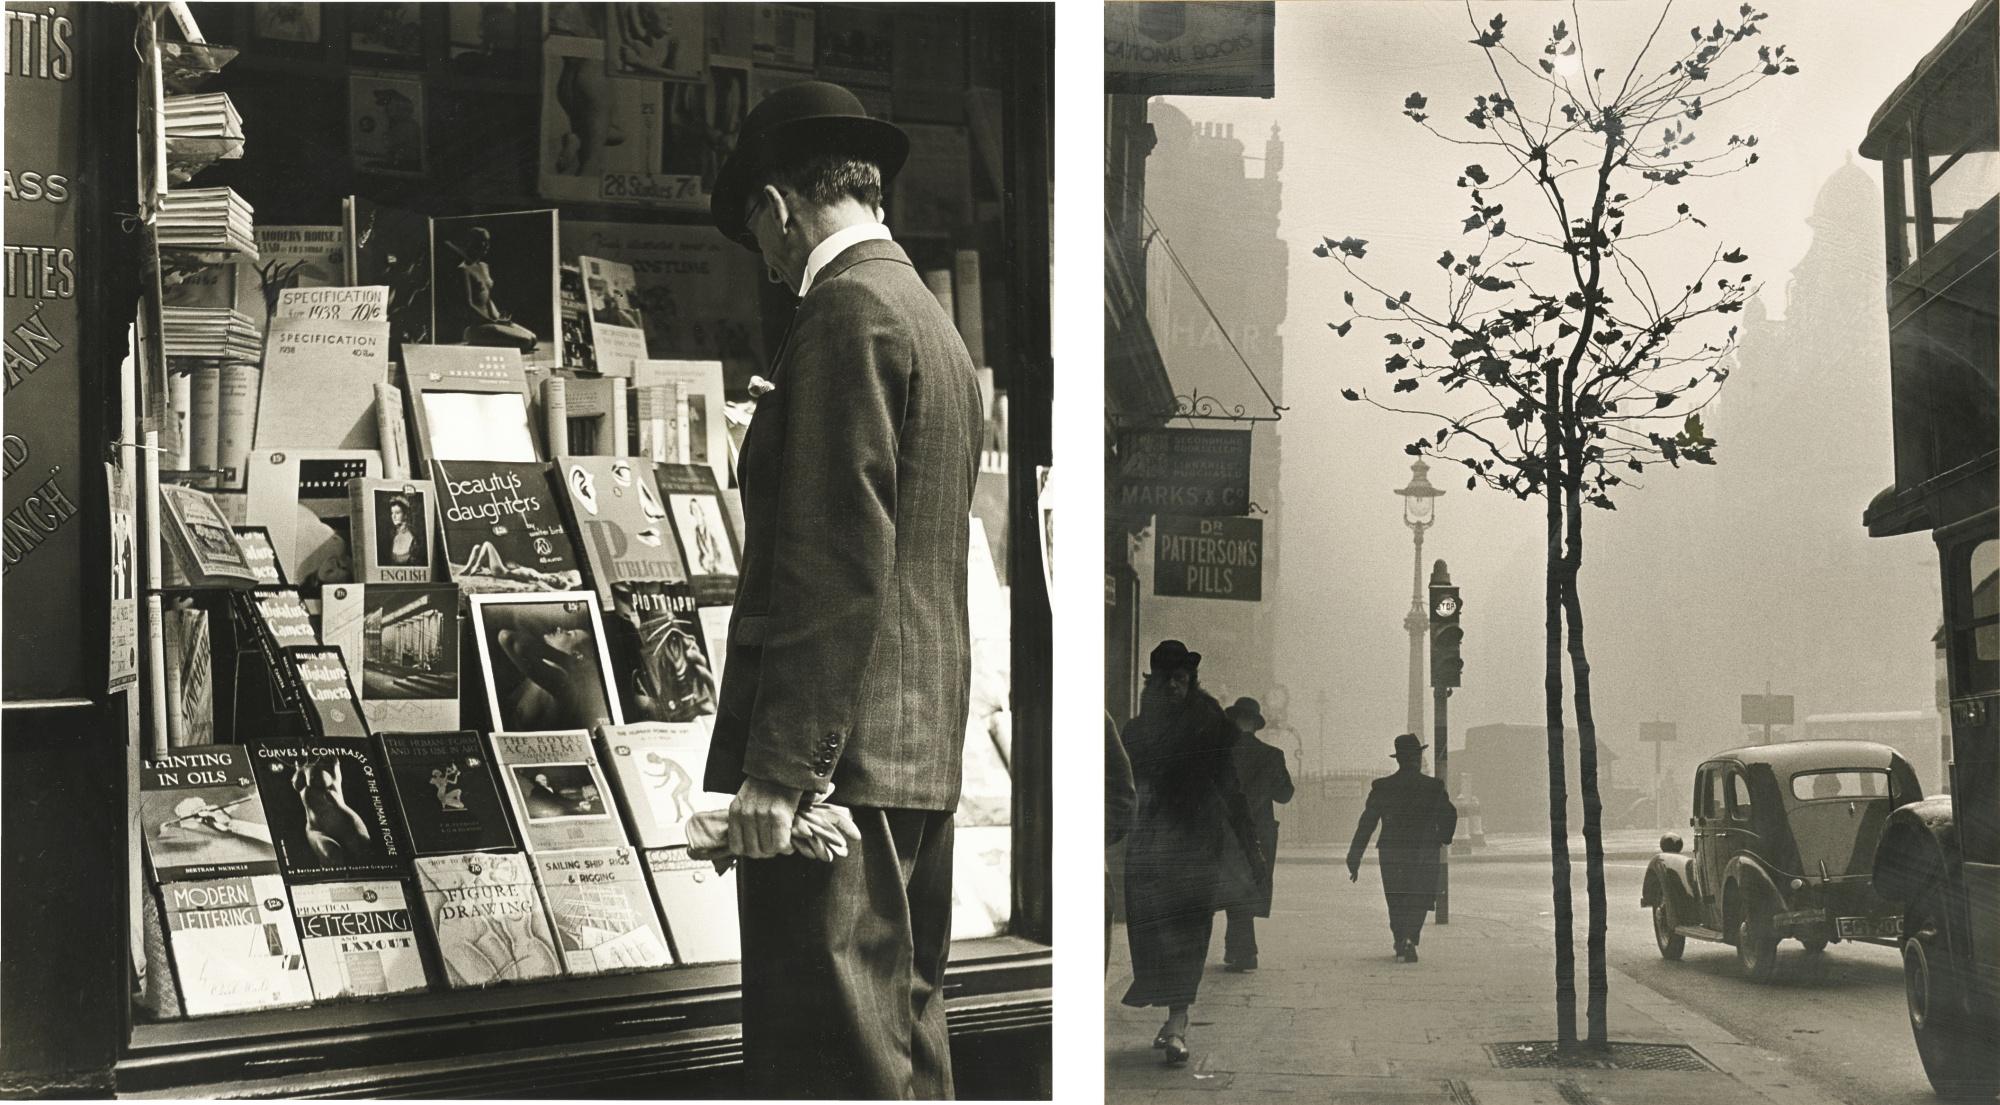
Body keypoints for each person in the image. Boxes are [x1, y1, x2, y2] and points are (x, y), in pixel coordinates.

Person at [701, 80, 981, 1100]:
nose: (769, 265)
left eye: (759, 239)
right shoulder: (930, 323)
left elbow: (834, 560)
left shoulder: (844, 314)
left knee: (830, 1061)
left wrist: (778, 773)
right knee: (898, 1040)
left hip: (837, 776)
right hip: (910, 756)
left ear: (779, 208)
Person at [1120, 640, 1257, 1065]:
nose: (1176, 686)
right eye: (1169, 680)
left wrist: (1250, 847)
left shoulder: (1210, 726)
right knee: (1152, 933)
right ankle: (1171, 1016)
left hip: (1197, 844)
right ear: (1155, 682)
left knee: (1190, 933)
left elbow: (1230, 789)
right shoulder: (1138, 731)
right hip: (1150, 847)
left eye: (1183, 679)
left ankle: (1179, 1020)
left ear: (1191, 681)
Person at [1346, 733, 1459, 963]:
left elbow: (1367, 822)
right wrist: (1441, 838)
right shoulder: (1433, 786)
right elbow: (1450, 814)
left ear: (1398, 759)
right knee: (1419, 895)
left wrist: (1354, 856)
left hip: (1392, 850)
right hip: (1424, 849)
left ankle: (1400, 939)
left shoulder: (1382, 786)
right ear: (1418, 758)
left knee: (1396, 896)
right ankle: (1410, 938)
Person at [1221, 697, 1293, 971]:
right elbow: (1285, 795)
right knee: (1250, 885)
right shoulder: (1272, 755)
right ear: (1254, 723)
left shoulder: (1221, 752)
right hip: (1260, 832)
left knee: (1232, 885)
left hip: (1228, 829)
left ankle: (1243, 950)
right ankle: (1240, 948)